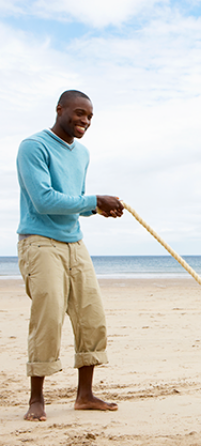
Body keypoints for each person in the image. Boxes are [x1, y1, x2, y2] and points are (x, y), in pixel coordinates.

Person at [16, 90, 124, 421]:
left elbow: (73, 199)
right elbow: (45, 201)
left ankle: (85, 395)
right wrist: (93, 200)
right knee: (47, 318)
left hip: (75, 243)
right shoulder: (33, 146)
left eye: (90, 117)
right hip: (40, 242)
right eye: (79, 113)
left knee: (91, 317)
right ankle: (36, 399)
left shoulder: (83, 154)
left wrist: (97, 209)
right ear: (60, 109)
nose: (85, 121)